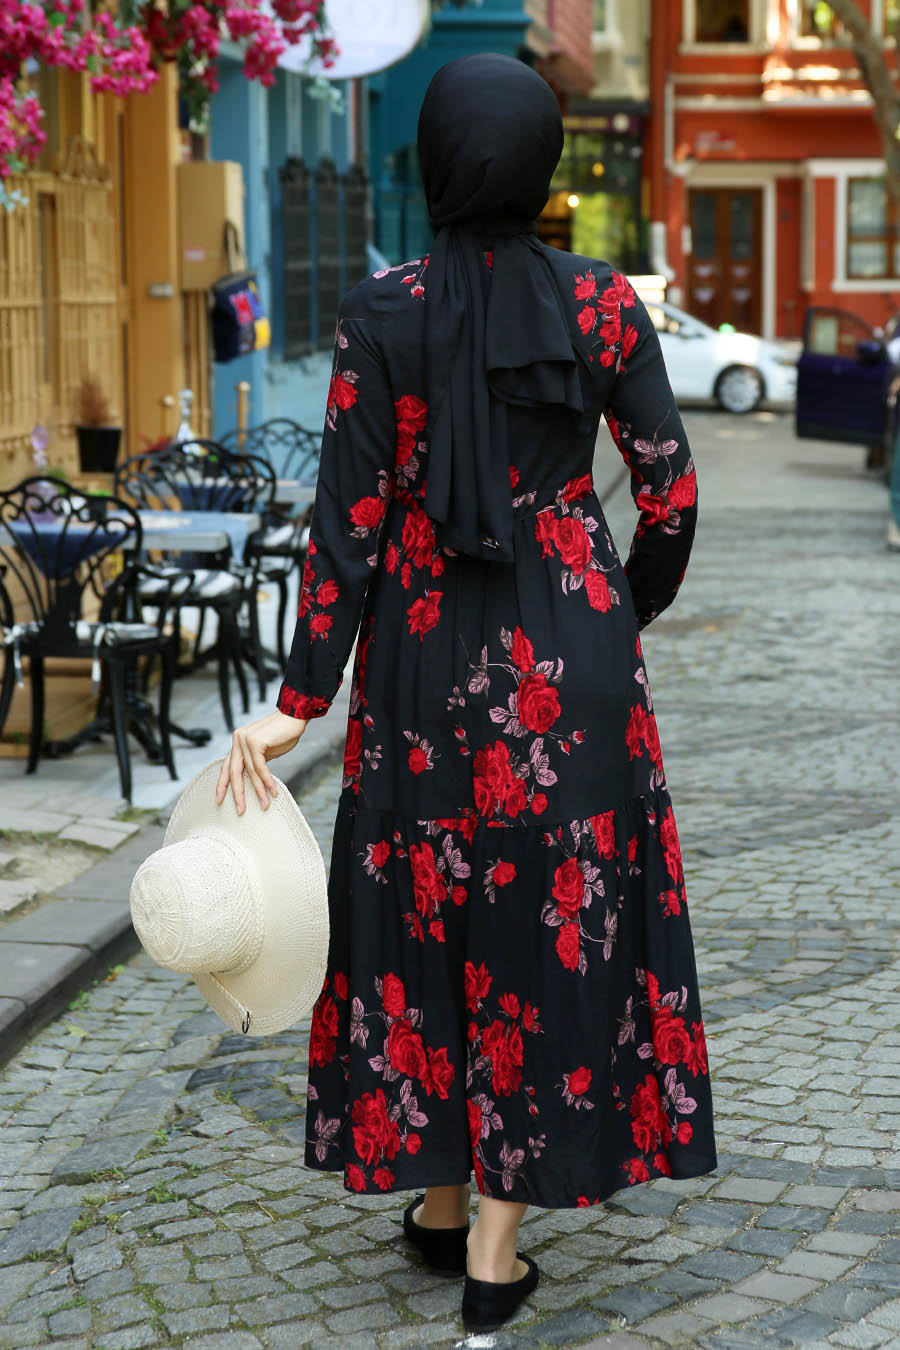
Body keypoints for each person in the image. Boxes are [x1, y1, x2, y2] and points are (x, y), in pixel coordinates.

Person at [217, 52, 716, 1335]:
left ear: (433, 160)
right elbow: (669, 492)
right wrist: (609, 611)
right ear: (544, 162)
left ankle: (445, 1198)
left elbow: (346, 527)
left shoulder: (383, 312)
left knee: (423, 913)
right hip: (573, 660)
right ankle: (489, 1244)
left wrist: (297, 698)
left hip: (424, 663)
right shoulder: (606, 307)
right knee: (555, 922)